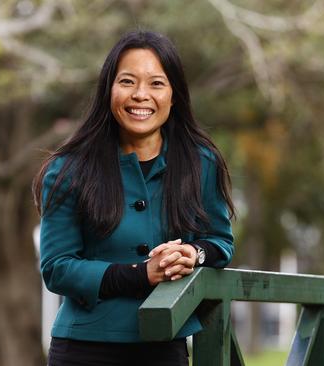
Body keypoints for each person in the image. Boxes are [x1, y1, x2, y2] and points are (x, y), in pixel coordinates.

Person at [33, 30, 235, 366]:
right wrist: (142, 274)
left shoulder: (201, 163)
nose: (141, 95)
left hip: (164, 344)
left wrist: (193, 253)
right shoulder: (68, 170)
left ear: (174, 96)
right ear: (108, 89)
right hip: (84, 350)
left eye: (156, 83)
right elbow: (57, 268)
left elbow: (220, 243)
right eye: (127, 81)